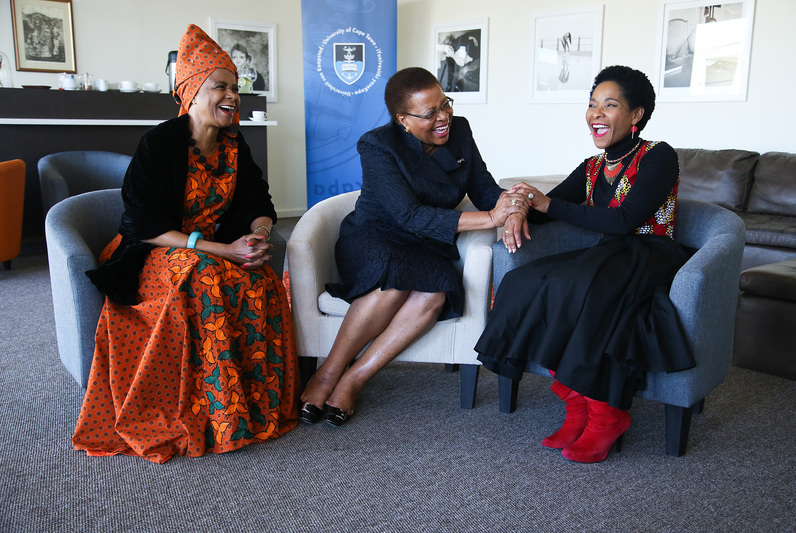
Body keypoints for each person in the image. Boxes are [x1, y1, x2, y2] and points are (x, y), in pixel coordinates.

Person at [73, 24, 298, 463]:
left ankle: (251, 408)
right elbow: (143, 223)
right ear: (192, 91)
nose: (232, 95)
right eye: (221, 86)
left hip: (214, 248)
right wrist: (224, 251)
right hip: (153, 249)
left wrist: (257, 235)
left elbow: (260, 201)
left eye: (235, 86)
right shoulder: (159, 143)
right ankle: (214, 417)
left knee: (262, 282)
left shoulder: (235, 145)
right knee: (207, 277)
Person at [475, 65, 695, 463]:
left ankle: (607, 417)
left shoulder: (658, 155)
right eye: (592, 104)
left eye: (610, 105)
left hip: (651, 252)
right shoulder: (592, 167)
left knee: (588, 291)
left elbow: (626, 220)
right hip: (610, 255)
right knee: (526, 280)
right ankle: (577, 405)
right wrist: (519, 206)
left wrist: (547, 203)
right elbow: (550, 210)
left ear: (636, 115)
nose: (596, 113)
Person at [299, 67, 531, 426]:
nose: (443, 118)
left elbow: (483, 187)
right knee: (395, 282)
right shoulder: (376, 145)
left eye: (445, 105)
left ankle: (353, 379)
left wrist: (511, 206)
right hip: (374, 237)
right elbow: (407, 215)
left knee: (434, 295)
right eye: (430, 113)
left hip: (426, 245)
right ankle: (327, 373)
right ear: (402, 119)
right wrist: (489, 219)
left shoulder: (461, 131)